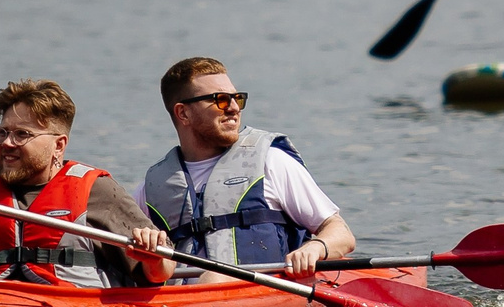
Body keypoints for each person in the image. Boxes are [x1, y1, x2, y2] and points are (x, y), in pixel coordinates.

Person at [0, 79, 175, 287]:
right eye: (2, 132)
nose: (6, 143)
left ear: (58, 145)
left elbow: (161, 272)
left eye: (21, 134)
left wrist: (153, 257)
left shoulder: (97, 191)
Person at [128, 57, 355, 281]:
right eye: (221, 100)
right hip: (183, 303)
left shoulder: (271, 162)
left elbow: (341, 233)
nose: (234, 108)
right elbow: (147, 271)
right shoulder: (151, 189)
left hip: (264, 295)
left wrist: (315, 248)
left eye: (237, 99)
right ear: (183, 113)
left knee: (214, 279)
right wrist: (152, 256)